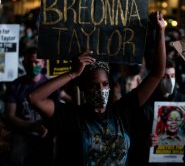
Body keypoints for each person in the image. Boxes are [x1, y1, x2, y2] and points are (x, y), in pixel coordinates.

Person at [28, 11, 166, 166]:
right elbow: (34, 98)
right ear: (84, 88)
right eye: (94, 86)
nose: (101, 90)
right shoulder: (72, 117)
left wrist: (160, 31)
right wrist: (72, 73)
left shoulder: (122, 111)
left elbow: (157, 74)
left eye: (105, 84)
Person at [5, 46, 58, 166]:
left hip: (46, 135)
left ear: (43, 63)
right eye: (30, 62)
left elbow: (57, 113)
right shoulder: (15, 86)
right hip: (22, 135)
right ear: (23, 63)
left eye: (36, 62)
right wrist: (32, 126)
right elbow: (10, 115)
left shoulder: (51, 86)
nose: (33, 65)